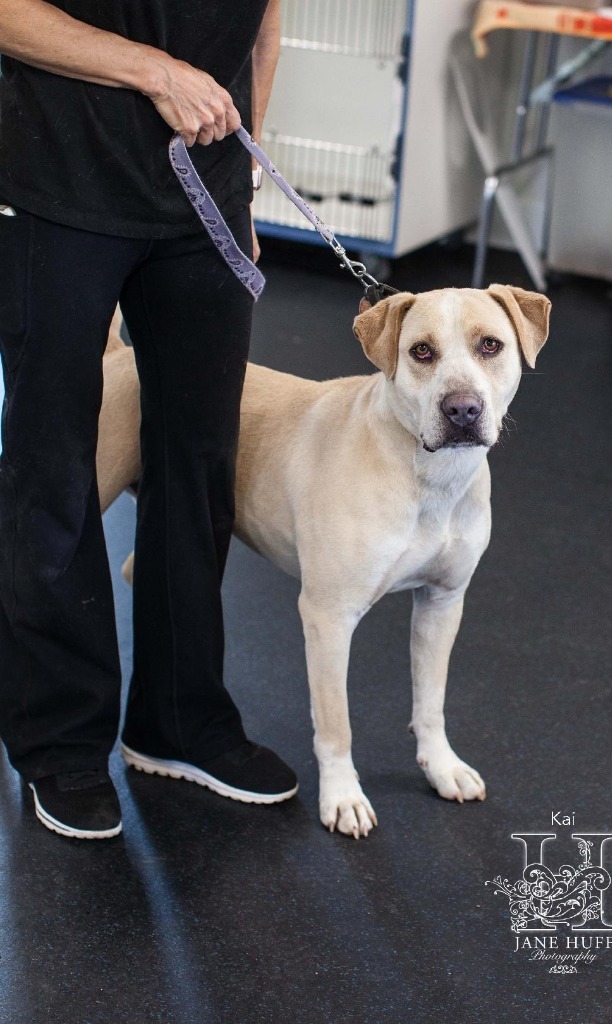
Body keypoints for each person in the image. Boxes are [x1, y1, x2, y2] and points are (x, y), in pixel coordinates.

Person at [0, 0, 298, 840]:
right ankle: (59, 741)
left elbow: (263, 22)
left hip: (202, 199)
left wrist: (243, 168)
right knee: (52, 466)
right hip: (58, 185)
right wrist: (150, 69)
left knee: (200, 462)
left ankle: (179, 718)